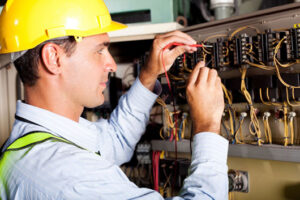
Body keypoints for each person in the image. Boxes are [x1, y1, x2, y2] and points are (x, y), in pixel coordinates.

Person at [0, 0, 228, 199]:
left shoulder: (36, 143)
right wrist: (207, 126)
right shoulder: (67, 176)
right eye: (99, 50)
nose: (111, 65)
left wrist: (148, 75)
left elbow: (116, 140)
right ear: (54, 59)